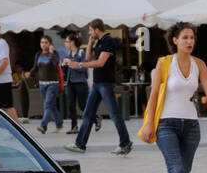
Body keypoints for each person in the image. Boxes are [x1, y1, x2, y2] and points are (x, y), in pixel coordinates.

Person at [139, 23, 207, 173]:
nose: (189, 41)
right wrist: (149, 124)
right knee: (176, 170)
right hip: (166, 125)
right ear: (175, 40)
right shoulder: (164, 63)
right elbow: (155, 93)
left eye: (192, 37)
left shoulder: (198, 64)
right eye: (185, 37)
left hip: (191, 126)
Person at [65, 19, 132, 155]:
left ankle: (125, 143)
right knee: (88, 114)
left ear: (96, 29)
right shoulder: (99, 42)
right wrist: (90, 42)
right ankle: (80, 144)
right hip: (97, 83)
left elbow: (101, 62)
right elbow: (88, 57)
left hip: (106, 84)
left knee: (114, 114)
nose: (89, 33)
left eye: (90, 30)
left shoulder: (108, 41)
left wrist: (79, 65)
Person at [29, 35, 62, 133]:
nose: (43, 45)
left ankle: (43, 126)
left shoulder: (54, 53)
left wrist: (51, 53)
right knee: (51, 106)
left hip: (53, 84)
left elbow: (55, 64)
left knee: (47, 105)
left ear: (50, 44)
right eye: (42, 42)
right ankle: (59, 123)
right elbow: (35, 68)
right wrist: (29, 73)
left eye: (46, 43)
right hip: (42, 84)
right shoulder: (39, 54)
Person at [62, 30, 92, 134]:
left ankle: (96, 118)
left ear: (72, 42)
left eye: (66, 41)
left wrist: (71, 63)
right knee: (70, 105)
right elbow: (66, 72)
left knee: (82, 105)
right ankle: (74, 126)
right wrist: (64, 65)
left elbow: (84, 68)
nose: (65, 44)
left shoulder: (81, 52)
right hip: (70, 83)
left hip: (80, 82)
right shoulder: (68, 54)